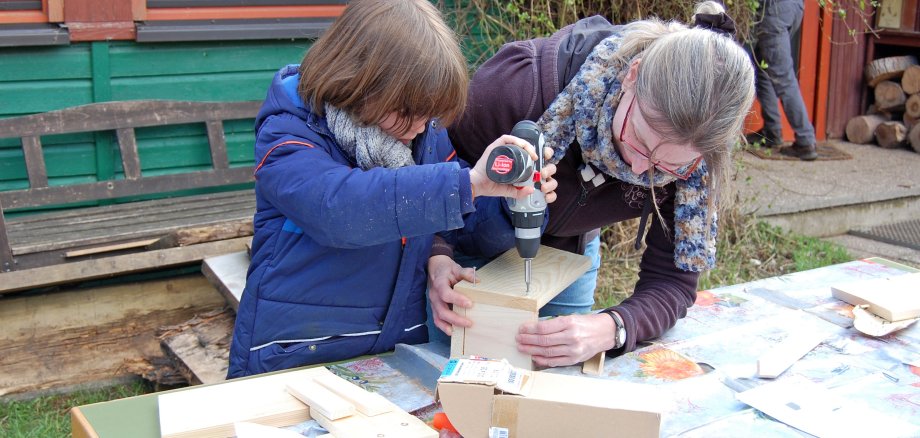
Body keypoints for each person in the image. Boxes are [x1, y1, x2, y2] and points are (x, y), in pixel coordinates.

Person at [227, 0, 558, 378]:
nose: (421, 125)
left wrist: (508, 200)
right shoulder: (288, 132)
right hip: (295, 355)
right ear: (360, 81)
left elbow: (456, 224)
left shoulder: (424, 133)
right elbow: (340, 210)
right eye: (410, 110)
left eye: (428, 113)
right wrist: (468, 183)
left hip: (392, 353)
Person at [430, 1, 755, 368]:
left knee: (556, 380)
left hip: (570, 253)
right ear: (632, 75)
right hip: (469, 239)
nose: (637, 167)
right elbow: (435, 166)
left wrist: (610, 327)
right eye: (640, 141)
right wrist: (438, 252)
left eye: (666, 166)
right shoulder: (519, 87)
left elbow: (673, 282)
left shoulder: (698, 161)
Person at [748, 0, 818, 160]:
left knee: (783, 77)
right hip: (794, 7)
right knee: (763, 68)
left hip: (775, 11)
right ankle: (772, 132)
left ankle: (805, 140)